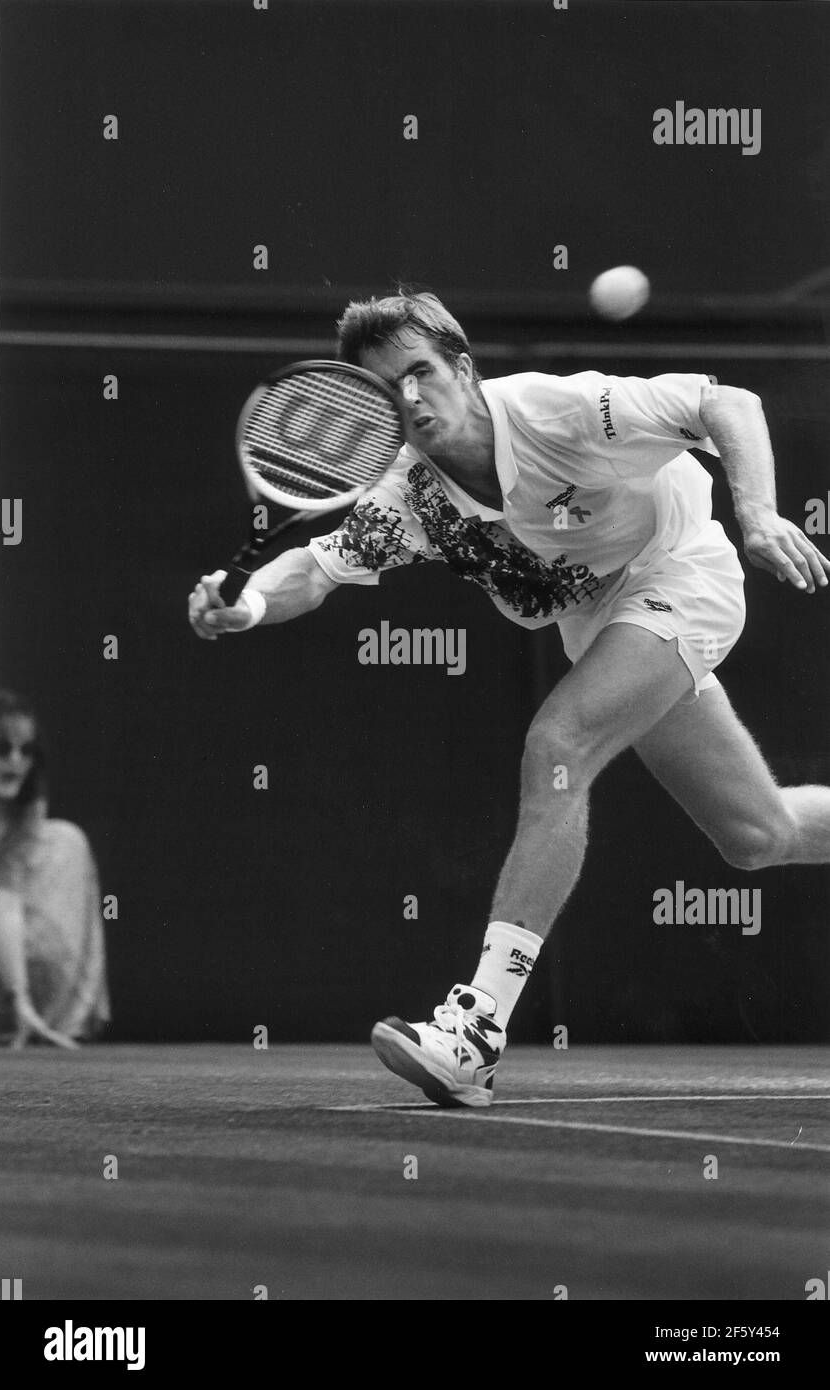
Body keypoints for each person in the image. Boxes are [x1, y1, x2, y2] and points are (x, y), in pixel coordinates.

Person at [189, 290, 830, 1107]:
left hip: (679, 576)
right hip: (600, 624)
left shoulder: (558, 412)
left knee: (559, 746)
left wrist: (760, 512)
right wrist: (242, 605)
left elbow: (726, 400)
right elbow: (313, 570)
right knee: (756, 833)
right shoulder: (408, 495)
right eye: (387, 392)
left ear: (463, 367)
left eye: (421, 373)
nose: (411, 400)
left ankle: (476, 1031)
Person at [0, 690, 110, 1047]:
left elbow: (4, 897)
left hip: (1, 937)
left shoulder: (26, 805)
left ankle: (48, 1016)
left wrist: (21, 999)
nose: (16, 761)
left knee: (65, 840)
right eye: (1, 749)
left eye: (26, 750)